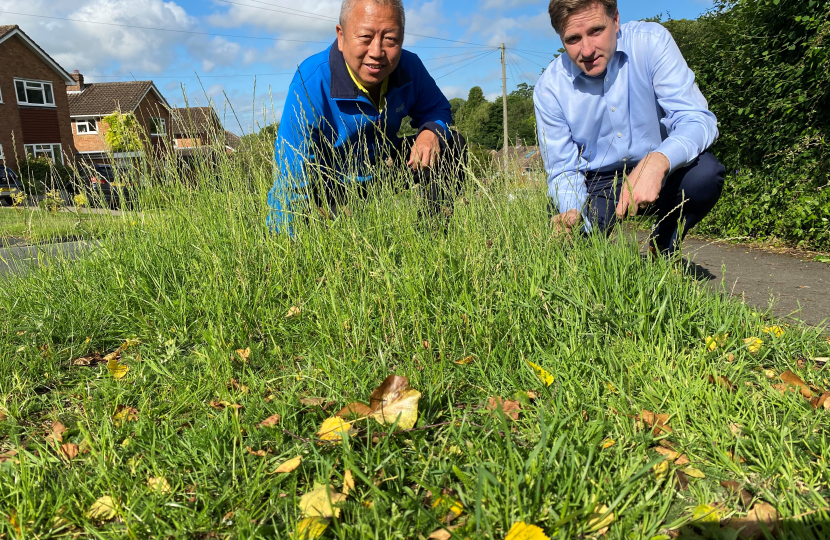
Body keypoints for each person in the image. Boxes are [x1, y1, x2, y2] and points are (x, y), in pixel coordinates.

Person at [534, 0, 725, 254]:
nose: (587, 50)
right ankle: (589, 249)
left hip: (661, 167)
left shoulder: (651, 42)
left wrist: (659, 160)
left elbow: (697, 119)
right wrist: (573, 211)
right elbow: (562, 169)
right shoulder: (550, 88)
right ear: (560, 38)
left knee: (705, 176)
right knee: (572, 246)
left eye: (596, 31)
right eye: (573, 39)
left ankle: (663, 247)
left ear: (615, 20)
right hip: (597, 180)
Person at [268, 0, 467, 234]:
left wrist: (431, 131)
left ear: (402, 38)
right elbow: (291, 178)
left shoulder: (409, 67)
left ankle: (433, 239)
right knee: (330, 237)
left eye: (390, 39)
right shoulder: (311, 82)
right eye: (365, 37)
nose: (377, 52)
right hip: (330, 188)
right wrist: (284, 245)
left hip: (381, 170)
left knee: (452, 144)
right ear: (341, 36)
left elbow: (438, 109)